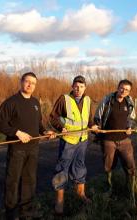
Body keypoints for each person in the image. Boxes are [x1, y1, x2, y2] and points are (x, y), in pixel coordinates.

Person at [0, 72, 55, 220]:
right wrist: (17, 132)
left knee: (29, 180)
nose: (30, 85)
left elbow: (38, 124)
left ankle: (27, 213)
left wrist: (45, 131)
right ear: (21, 82)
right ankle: (11, 214)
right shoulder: (11, 102)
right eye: (27, 81)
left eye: (33, 83)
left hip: (33, 148)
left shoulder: (35, 103)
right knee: (13, 181)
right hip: (17, 149)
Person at [49, 75, 98, 215]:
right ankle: (59, 203)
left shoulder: (88, 100)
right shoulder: (64, 99)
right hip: (68, 140)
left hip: (82, 140)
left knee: (80, 167)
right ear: (72, 86)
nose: (78, 89)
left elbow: (88, 119)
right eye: (76, 86)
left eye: (81, 86)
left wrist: (92, 125)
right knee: (62, 168)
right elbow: (53, 116)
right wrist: (60, 127)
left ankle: (81, 194)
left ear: (85, 88)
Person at [94, 79, 136, 196]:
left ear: (129, 91)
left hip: (124, 140)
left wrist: (129, 127)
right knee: (109, 165)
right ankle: (109, 188)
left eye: (127, 90)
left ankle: (130, 189)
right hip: (108, 140)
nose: (124, 91)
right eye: (122, 88)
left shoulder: (129, 101)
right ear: (118, 87)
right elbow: (98, 115)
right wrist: (97, 127)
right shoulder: (107, 100)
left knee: (129, 163)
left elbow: (131, 118)